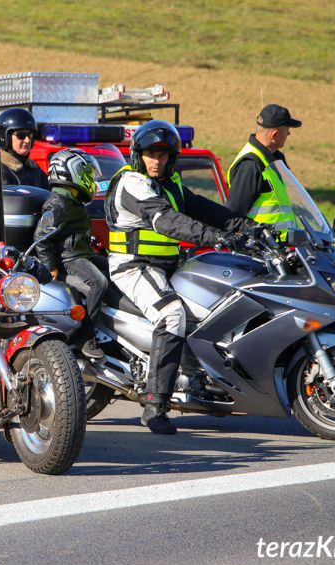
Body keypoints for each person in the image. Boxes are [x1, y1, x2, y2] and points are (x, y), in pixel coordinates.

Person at [105, 120, 254, 434]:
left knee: (218, 304)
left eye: (162, 154)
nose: (156, 160)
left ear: (172, 157)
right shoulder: (133, 182)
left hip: (168, 267)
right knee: (172, 315)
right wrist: (213, 238)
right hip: (133, 267)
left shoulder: (172, 186)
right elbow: (167, 221)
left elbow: (213, 212)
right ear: (138, 155)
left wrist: (253, 230)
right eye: (149, 153)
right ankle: (154, 405)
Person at [33, 148, 107, 360]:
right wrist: (51, 267)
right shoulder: (57, 202)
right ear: (71, 173)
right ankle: (86, 337)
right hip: (70, 258)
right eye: (87, 175)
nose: (91, 180)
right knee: (98, 283)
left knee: (115, 267)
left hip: (82, 253)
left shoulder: (72, 200)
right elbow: (41, 236)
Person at [225, 104, 302, 232]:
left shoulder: (276, 159)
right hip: (261, 249)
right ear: (274, 135)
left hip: (283, 247)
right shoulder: (251, 165)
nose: (289, 133)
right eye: (287, 129)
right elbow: (233, 215)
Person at [0, 107, 49, 197]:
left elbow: (51, 193)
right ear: (5, 137)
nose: (27, 140)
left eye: (30, 135)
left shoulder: (34, 169)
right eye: (21, 135)